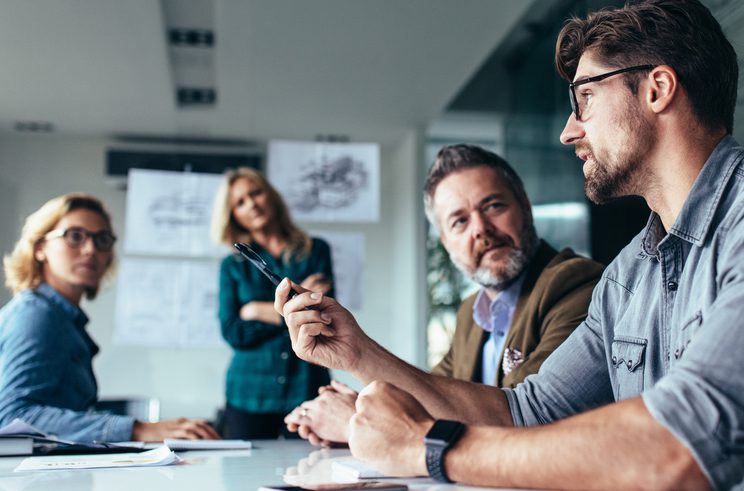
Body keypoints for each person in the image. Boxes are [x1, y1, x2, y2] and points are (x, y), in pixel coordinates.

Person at [276, 1, 744, 489]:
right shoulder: (631, 275)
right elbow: (525, 410)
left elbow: (682, 449)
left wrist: (431, 447)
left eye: (584, 99)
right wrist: (355, 351)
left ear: (657, 88)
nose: (568, 130)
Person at [282, 144, 603, 445]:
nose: (480, 228)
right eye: (459, 221)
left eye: (493, 206)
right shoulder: (471, 313)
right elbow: (432, 399)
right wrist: (364, 400)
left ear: (525, 207)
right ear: (446, 242)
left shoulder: (575, 285)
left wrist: (358, 421)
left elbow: (522, 420)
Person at [0, 193, 220, 442]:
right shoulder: (36, 315)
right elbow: (13, 418)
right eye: (74, 236)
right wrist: (138, 429)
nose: (90, 249)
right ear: (40, 248)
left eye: (102, 240)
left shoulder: (63, 319)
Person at [212, 167, 333, 439]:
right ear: (233, 216)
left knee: (310, 472)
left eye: (256, 193)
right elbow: (233, 331)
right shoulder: (232, 266)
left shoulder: (316, 251)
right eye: (240, 202)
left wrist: (254, 310)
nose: (251, 204)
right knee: (244, 478)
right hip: (249, 392)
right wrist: (293, 310)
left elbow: (321, 316)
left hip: (306, 387)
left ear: (271, 196)